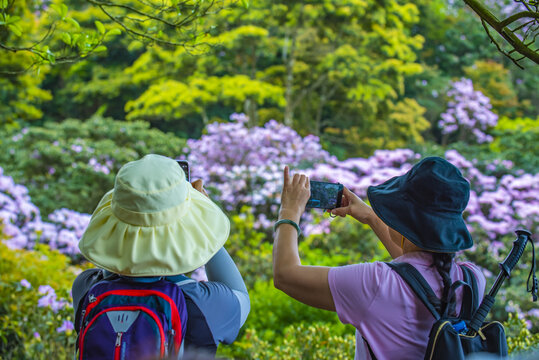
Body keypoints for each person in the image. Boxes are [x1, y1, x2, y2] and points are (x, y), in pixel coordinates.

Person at [272, 156, 486, 360]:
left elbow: (285, 275)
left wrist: (289, 211)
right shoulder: (472, 279)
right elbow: (417, 276)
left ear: (405, 218)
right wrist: (371, 217)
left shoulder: (375, 283)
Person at [72, 154, 250, 357]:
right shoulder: (203, 303)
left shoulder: (86, 288)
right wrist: (205, 229)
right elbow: (241, 296)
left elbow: (113, 267)